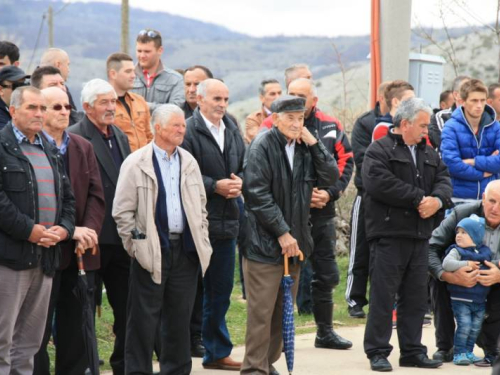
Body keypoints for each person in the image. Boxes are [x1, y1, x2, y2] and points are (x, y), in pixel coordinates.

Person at [241, 94, 338, 374]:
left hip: (295, 246)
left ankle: (266, 364)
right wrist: (282, 232)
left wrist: (314, 142)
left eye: (301, 118)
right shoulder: (262, 145)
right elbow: (257, 195)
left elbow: (331, 176)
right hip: (265, 245)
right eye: (291, 119)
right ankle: (253, 369)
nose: (297, 124)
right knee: (261, 315)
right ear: (276, 119)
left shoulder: (306, 147)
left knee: (281, 314)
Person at [112, 104, 212, 375]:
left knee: (179, 320)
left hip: (186, 252)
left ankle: (176, 371)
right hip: (151, 251)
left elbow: (201, 206)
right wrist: (137, 245)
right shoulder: (136, 162)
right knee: (143, 321)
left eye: (183, 125)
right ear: (158, 128)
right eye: (176, 126)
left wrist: (201, 236)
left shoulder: (188, 161)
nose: (182, 130)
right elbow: (122, 213)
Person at [362, 97, 452, 372]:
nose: (427, 131)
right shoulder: (379, 150)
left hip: (420, 235)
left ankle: (412, 351)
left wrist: (437, 200)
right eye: (423, 126)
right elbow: (379, 183)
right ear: (405, 124)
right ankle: (378, 351)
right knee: (383, 296)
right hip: (389, 234)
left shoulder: (428, 151)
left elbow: (444, 179)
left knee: (415, 298)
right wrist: (419, 199)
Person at [0, 86, 75, 374]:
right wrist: (28, 230)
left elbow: (68, 198)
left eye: (42, 108)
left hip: (45, 258)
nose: (39, 114)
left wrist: (64, 230)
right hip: (11, 258)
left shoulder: (49, 148)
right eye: (32, 108)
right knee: (3, 341)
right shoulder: (3, 145)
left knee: (29, 344)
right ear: (13, 110)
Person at [33, 87, 105, 375]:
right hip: (43, 249)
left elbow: (96, 195)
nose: (64, 112)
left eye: (67, 107)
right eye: (56, 107)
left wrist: (88, 231)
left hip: (79, 252)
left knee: (75, 328)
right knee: (37, 330)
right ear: (42, 111)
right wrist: (66, 229)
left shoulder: (82, 146)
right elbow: (35, 200)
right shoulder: (31, 146)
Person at [68, 78, 132, 375]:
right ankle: (87, 367)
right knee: (84, 312)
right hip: (91, 238)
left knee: (128, 308)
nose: (111, 108)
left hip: (121, 238)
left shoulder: (119, 135)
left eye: (113, 102)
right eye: (104, 103)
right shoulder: (74, 137)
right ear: (86, 107)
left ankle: (124, 365)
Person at [182, 79, 245, 371]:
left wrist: (238, 182)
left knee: (220, 293)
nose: (222, 104)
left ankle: (217, 352)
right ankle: (177, 353)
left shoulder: (231, 128)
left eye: (226, 99)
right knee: (185, 293)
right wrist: (213, 186)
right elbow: (182, 172)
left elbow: (244, 164)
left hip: (227, 222)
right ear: (200, 99)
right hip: (193, 225)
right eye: (217, 98)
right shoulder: (188, 129)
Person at [287, 78, 353, 349]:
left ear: (314, 101)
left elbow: (346, 163)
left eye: (302, 96)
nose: (297, 101)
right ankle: (278, 337)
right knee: (284, 275)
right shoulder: (273, 125)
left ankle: (324, 332)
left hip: (323, 213)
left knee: (326, 274)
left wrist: (330, 193)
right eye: (292, 94)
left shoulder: (331, 126)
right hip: (289, 216)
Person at [429, 180, 500, 367]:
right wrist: (447, 275)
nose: (496, 208)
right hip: (457, 280)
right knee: (436, 279)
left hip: (494, 280)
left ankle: (490, 346)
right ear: (483, 198)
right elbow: (430, 249)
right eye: (492, 201)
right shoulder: (461, 214)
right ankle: (445, 346)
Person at [345, 81, 390, 318]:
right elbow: (363, 161)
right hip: (367, 195)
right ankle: (355, 299)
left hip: (392, 200)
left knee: (384, 253)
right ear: (384, 98)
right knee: (359, 248)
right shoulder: (365, 123)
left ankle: (383, 301)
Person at [441, 214, 492, 365]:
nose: (459, 236)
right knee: (464, 326)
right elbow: (447, 264)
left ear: (476, 236)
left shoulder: (484, 252)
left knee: (475, 328)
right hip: (461, 299)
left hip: (480, 300)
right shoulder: (456, 251)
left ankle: (468, 352)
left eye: (464, 232)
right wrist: (466, 264)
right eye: (458, 232)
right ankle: (459, 353)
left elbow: (491, 263)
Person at [440, 79, 500, 205]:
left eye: (482, 100)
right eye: (474, 100)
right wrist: (484, 173)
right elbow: (451, 165)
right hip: (459, 200)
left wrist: (474, 161)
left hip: (489, 202)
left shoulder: (496, 127)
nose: (479, 105)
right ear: (462, 102)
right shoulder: (450, 127)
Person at [107, 52, 153, 152]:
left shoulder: (140, 101)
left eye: (134, 71)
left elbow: (149, 135)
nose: (133, 76)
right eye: (128, 71)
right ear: (113, 74)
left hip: (145, 162)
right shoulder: (104, 105)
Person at [132, 28, 184, 111]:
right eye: (139, 51)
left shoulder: (176, 80)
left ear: (160, 50)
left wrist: (143, 106)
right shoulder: (126, 76)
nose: (142, 55)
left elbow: (175, 110)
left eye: (147, 51)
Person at [40, 48, 82, 125]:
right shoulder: (32, 91)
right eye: (67, 65)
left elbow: (73, 116)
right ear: (58, 65)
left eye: (61, 84)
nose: (68, 70)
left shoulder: (64, 89)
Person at [428, 75, 470, 149]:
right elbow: (447, 144)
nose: (470, 94)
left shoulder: (482, 117)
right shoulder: (441, 116)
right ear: (456, 95)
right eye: (465, 90)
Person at [244, 78, 282, 144]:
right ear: (262, 98)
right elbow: (259, 141)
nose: (277, 97)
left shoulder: (288, 114)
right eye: (272, 94)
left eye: (279, 93)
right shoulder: (253, 119)